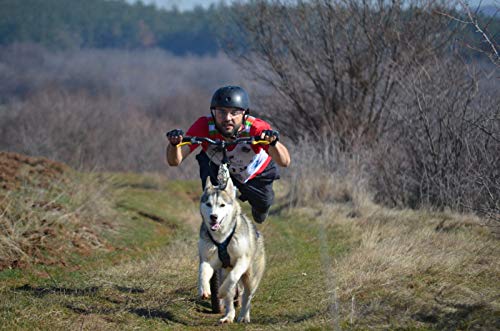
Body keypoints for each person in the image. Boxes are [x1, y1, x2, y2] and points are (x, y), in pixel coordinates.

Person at [166, 85, 290, 223]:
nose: (227, 118)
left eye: (234, 112)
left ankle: (259, 209)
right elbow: (174, 161)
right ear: (213, 113)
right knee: (211, 199)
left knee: (262, 207)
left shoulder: (256, 128)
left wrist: (272, 143)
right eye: (221, 112)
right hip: (217, 166)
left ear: (244, 114)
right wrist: (174, 144)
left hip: (255, 172)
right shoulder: (204, 126)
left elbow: (285, 161)